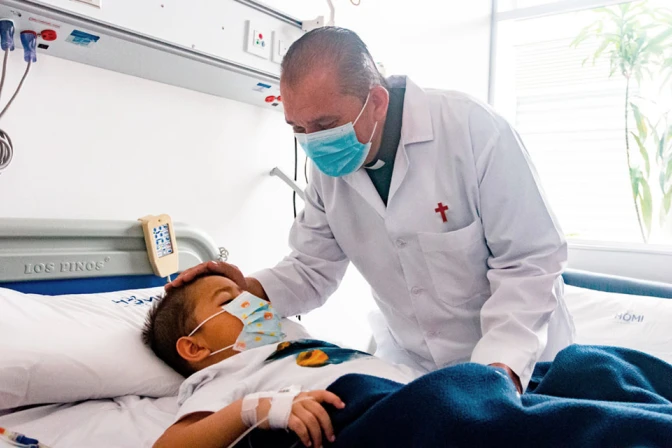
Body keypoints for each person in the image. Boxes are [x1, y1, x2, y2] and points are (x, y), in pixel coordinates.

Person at [168, 27, 574, 393]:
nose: (313, 142)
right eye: (298, 128)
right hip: (413, 368)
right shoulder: (328, 170)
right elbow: (311, 269)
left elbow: (529, 262)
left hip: (523, 362)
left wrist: (498, 370)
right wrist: (244, 291)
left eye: (326, 124)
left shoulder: (472, 130)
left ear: (376, 102)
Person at [144, 274, 415, 448]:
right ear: (194, 347)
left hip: (409, 387)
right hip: (353, 406)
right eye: (228, 300)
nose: (251, 303)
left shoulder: (293, 346)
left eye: (246, 295)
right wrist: (253, 409)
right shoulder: (225, 375)